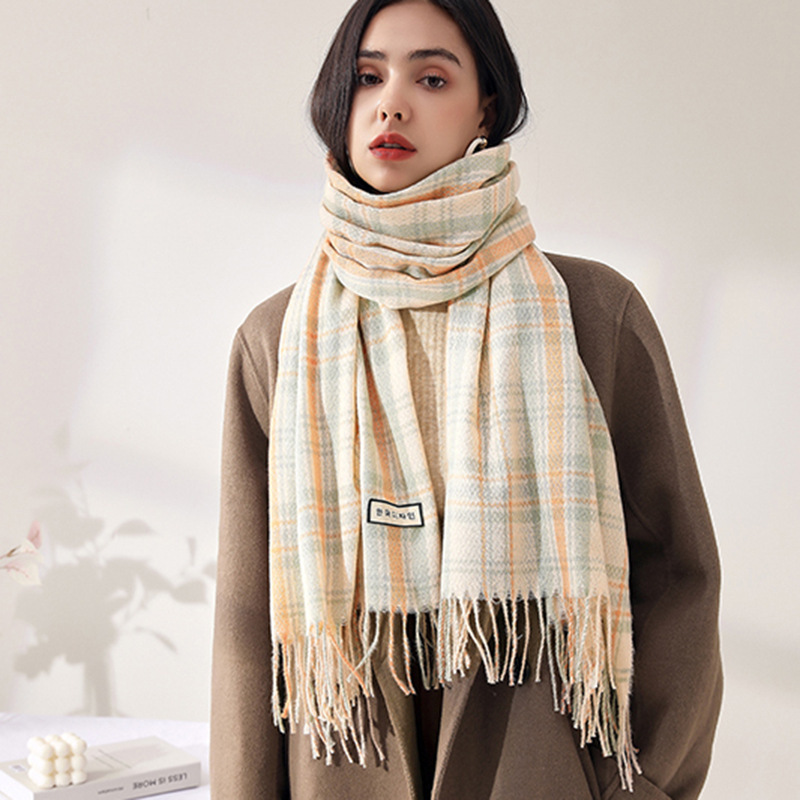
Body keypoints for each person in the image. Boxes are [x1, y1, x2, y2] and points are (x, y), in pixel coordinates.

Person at [210, 1, 722, 798]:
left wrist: (646, 787)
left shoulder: (595, 314)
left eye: (431, 78)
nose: (391, 104)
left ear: (486, 107)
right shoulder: (276, 341)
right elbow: (249, 622)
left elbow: (681, 574)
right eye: (367, 77)